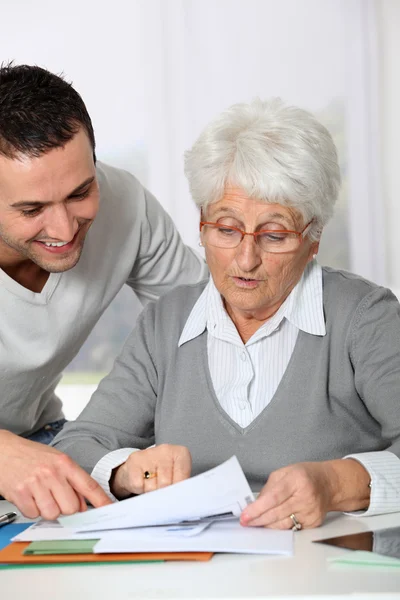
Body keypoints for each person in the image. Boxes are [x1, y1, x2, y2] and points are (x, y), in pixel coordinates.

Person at [53, 98, 400, 530]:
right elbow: (77, 445)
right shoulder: (166, 322)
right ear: (201, 225)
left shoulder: (366, 317)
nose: (245, 259)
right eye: (226, 229)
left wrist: (337, 483)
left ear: (313, 239)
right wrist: (130, 473)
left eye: (274, 235)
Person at [0, 63, 207, 517]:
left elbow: (204, 328)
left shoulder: (126, 204)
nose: (64, 227)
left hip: (45, 441)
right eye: (32, 208)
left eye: (80, 192)